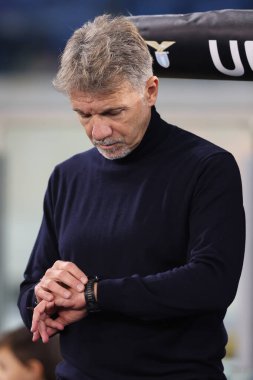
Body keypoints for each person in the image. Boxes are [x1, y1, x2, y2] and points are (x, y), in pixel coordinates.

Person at [18, 14, 245, 380]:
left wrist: (95, 296)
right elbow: (28, 293)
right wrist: (44, 299)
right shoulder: (67, 175)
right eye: (84, 114)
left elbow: (212, 283)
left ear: (150, 90)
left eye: (113, 112)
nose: (99, 131)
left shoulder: (208, 167)